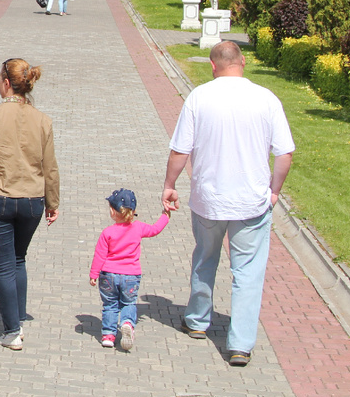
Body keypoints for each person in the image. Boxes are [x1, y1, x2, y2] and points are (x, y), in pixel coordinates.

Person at [162, 41, 295, 367]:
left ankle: (196, 320)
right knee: (247, 272)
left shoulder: (199, 97)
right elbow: (284, 154)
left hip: (209, 198)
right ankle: (240, 344)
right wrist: (274, 190)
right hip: (251, 201)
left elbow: (181, 150)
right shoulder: (266, 99)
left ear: (212, 65)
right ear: (244, 62)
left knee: (205, 257)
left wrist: (169, 184)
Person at [0, 58, 58, 351]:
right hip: (32, 202)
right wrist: (53, 201)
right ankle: (17, 318)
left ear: (6, 83)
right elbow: (50, 166)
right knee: (18, 259)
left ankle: (11, 331)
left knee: (3, 266)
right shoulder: (43, 119)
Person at [89, 188, 170, 351]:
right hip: (131, 275)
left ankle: (108, 335)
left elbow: (100, 255)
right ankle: (127, 323)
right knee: (129, 303)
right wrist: (165, 216)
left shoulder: (108, 232)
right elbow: (155, 229)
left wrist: (93, 274)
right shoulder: (138, 228)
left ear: (112, 211)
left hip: (108, 275)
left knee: (110, 304)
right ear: (134, 211)